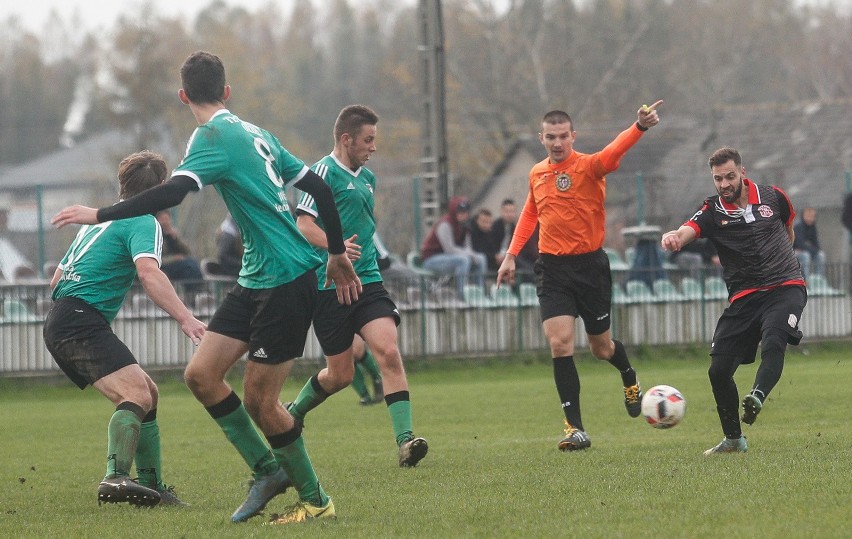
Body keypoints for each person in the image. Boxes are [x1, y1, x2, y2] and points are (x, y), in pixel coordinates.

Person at [51, 51, 361, 525]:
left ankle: (316, 500)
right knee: (200, 375)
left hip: (287, 276)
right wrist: (336, 250)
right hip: (256, 277)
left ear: (183, 96)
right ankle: (266, 471)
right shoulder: (256, 133)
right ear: (227, 91)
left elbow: (173, 193)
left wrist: (98, 213)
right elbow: (319, 190)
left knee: (260, 399)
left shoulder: (212, 135)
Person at [43, 151, 207, 507]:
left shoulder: (97, 222)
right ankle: (115, 476)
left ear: (122, 185)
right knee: (136, 392)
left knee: (148, 391)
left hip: (64, 314)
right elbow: (149, 273)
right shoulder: (143, 220)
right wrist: (186, 317)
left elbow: (56, 279)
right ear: (161, 189)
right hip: (79, 319)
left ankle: (153, 488)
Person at [496, 101, 663, 451]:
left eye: (563, 136)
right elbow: (530, 213)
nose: (557, 143)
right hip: (552, 269)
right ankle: (575, 428)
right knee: (559, 343)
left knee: (601, 349)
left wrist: (640, 127)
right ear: (541, 138)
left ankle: (629, 375)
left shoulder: (589, 166)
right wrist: (511, 255)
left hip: (591, 268)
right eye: (550, 137)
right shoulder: (537, 173)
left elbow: (613, 153)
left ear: (573, 136)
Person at [291, 104, 428, 467]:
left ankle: (406, 441)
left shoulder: (368, 178)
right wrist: (334, 248)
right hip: (330, 286)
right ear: (346, 139)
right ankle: (294, 412)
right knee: (340, 375)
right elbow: (303, 223)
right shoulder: (321, 173)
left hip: (367, 280)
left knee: (388, 352)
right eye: (368, 140)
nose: (374, 147)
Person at [661, 147, 807, 455]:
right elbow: (691, 228)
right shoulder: (713, 210)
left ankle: (756, 395)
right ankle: (733, 440)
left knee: (773, 341)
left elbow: (789, 233)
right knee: (718, 371)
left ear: (742, 171)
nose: (725, 184)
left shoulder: (773, 197)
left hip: (785, 287)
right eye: (718, 179)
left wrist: (779, 263)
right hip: (744, 297)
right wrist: (676, 236)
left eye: (730, 176)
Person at [420, 196, 488, 299]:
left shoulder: (465, 226)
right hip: (432, 259)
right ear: (454, 212)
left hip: (452, 258)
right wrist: (469, 254)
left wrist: (472, 255)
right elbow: (449, 249)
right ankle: (462, 296)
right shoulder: (445, 224)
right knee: (463, 260)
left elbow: (467, 247)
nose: (463, 215)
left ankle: (480, 294)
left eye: (465, 212)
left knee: (481, 258)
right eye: (460, 212)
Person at [155, 210, 204, 287]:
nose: (165, 222)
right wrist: (174, 258)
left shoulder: (173, 234)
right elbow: (158, 258)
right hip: (165, 266)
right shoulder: (156, 236)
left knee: (192, 264)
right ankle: (195, 291)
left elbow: (187, 252)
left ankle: (196, 291)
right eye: (162, 219)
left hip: (179, 265)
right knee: (188, 265)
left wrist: (176, 239)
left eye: (167, 219)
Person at [792, 207, 826, 280]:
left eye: (812, 216)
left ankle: (819, 278)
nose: (810, 218)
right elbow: (800, 244)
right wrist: (812, 250)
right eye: (808, 216)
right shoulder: (799, 226)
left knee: (820, 255)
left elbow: (816, 242)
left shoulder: (812, 227)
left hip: (806, 250)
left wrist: (816, 250)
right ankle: (806, 280)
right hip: (793, 251)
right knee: (805, 256)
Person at [470, 207, 500, 272]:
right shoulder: (472, 233)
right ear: (477, 220)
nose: (486, 225)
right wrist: (494, 257)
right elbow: (476, 250)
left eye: (489, 222)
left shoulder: (490, 233)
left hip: (491, 261)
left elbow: (493, 249)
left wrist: (497, 256)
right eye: (483, 221)